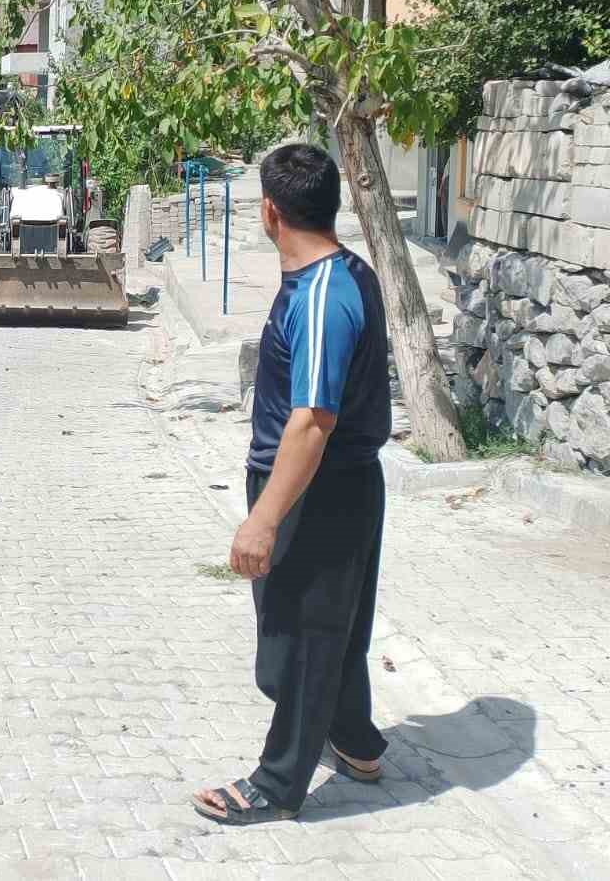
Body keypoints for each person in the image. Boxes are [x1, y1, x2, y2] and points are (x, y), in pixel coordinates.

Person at [192, 143, 392, 826]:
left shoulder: (323, 295)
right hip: (339, 486)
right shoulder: (339, 273)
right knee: (336, 631)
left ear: (269, 212)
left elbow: (312, 419)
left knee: (298, 646)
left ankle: (277, 784)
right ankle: (358, 745)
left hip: (317, 491)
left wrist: (264, 520)